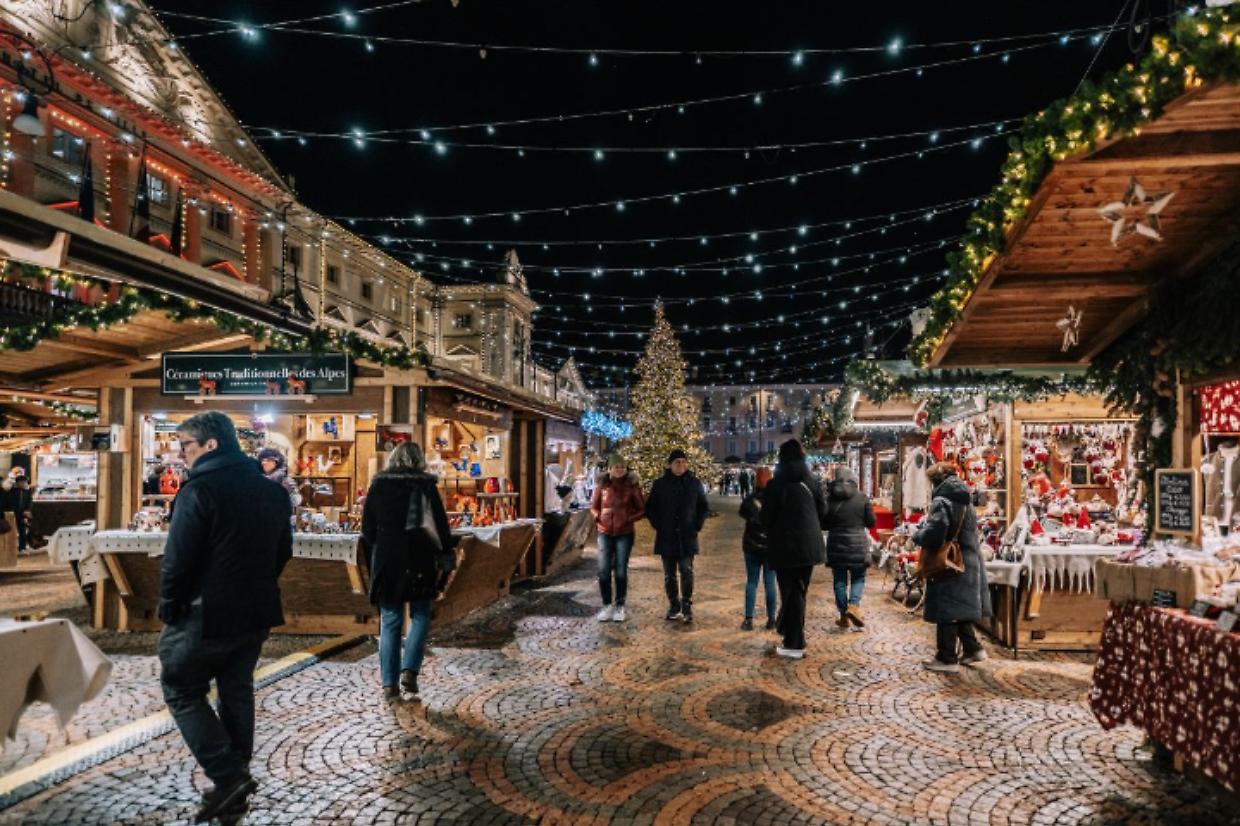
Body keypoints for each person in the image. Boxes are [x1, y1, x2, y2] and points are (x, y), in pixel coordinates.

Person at [157, 411, 292, 823]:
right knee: (236, 690)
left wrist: (170, 603)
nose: (182, 455)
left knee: (181, 688)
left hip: (205, 611)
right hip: (256, 609)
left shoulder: (198, 491)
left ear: (210, 445)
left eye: (187, 446)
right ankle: (233, 786)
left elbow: (178, 559)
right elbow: (282, 550)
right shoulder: (272, 493)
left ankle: (228, 775)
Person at [362, 442, 456, 699]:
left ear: (392, 459)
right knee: (421, 614)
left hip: (388, 558)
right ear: (419, 460)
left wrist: (379, 548)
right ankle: (410, 670)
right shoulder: (425, 486)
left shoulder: (379, 485)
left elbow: (367, 528)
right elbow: (439, 524)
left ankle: (389, 684)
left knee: (390, 620)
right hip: (420, 557)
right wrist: (447, 554)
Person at [913, 462, 992, 672]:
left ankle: (947, 657)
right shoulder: (965, 498)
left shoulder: (943, 500)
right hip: (969, 560)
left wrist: (918, 535)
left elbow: (936, 532)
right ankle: (972, 648)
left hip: (950, 562)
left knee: (946, 608)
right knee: (959, 606)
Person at [760, 439, 828, 659]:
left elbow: (766, 518)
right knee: (799, 591)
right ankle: (791, 631)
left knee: (791, 592)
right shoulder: (813, 482)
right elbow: (823, 513)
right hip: (809, 546)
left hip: (785, 545)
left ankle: (794, 643)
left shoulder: (775, 485)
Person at [646, 449, 708, 623]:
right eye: (676, 462)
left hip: (688, 536)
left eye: (682, 461)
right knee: (669, 574)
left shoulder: (695, 484)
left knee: (687, 571)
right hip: (667, 536)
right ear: (670, 464)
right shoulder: (660, 484)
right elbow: (650, 508)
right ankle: (674, 605)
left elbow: (703, 507)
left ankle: (687, 605)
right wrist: (658, 524)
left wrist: (697, 524)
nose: (680, 465)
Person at [590, 454, 646, 623]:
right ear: (610, 469)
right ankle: (607, 605)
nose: (619, 469)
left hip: (625, 533)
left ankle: (620, 606)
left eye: (622, 466)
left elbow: (642, 509)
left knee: (620, 571)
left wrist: (628, 519)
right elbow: (593, 507)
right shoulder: (602, 485)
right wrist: (598, 517)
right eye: (616, 466)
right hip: (604, 532)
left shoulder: (632, 486)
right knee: (603, 571)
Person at [823, 467, 876, 632]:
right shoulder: (862, 497)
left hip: (836, 544)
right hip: (858, 544)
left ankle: (843, 616)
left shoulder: (830, 499)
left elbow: (823, 524)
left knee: (839, 581)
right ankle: (853, 605)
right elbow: (871, 522)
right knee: (858, 578)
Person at [738, 467, 777, 631]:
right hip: (771, 547)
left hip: (752, 546)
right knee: (770, 583)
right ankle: (771, 619)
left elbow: (742, 513)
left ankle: (748, 619)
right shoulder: (776, 499)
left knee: (752, 582)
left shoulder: (750, 499)